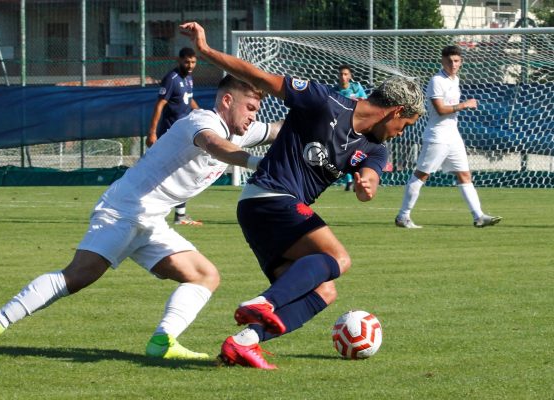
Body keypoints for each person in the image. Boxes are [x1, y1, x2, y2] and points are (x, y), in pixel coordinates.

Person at [0, 75, 282, 360]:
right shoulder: (202, 122)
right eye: (251, 108)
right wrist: (257, 163)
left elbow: (278, 131)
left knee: (205, 275)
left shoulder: (241, 131)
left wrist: (324, 117)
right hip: (123, 210)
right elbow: (216, 146)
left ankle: (163, 341)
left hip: (151, 220)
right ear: (228, 101)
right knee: (77, 277)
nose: (254, 117)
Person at [180, 21, 425, 369]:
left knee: (325, 291)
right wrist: (205, 52)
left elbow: (369, 179)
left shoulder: (374, 147)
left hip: (265, 214)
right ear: (397, 111)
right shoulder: (324, 102)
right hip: (271, 197)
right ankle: (264, 302)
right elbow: (259, 76)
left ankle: (244, 342)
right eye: (407, 125)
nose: (402, 133)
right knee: (338, 259)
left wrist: (367, 186)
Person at [395, 45, 502, 229]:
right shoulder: (437, 80)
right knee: (422, 175)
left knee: (464, 175)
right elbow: (440, 109)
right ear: (442, 61)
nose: (453, 64)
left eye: (456, 61)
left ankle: (479, 216)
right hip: (437, 136)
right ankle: (403, 216)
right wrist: (464, 105)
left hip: (453, 136)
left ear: (461, 62)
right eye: (449, 61)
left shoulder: (455, 79)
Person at [147, 47, 201, 226]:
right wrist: (152, 132)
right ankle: (161, 211)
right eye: (187, 61)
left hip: (184, 133)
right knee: (166, 172)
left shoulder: (189, 77)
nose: (190, 65)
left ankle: (180, 215)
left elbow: (188, 100)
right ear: (179, 60)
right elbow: (159, 105)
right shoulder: (172, 79)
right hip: (170, 133)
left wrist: (201, 113)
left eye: (193, 62)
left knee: (182, 172)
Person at [335, 64, 367, 191]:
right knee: (343, 155)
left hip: (356, 126)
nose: (343, 76)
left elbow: (365, 101)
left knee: (357, 154)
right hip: (341, 128)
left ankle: (357, 179)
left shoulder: (356, 87)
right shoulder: (335, 91)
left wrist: (360, 100)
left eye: (345, 74)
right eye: (341, 74)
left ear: (350, 76)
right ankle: (349, 181)